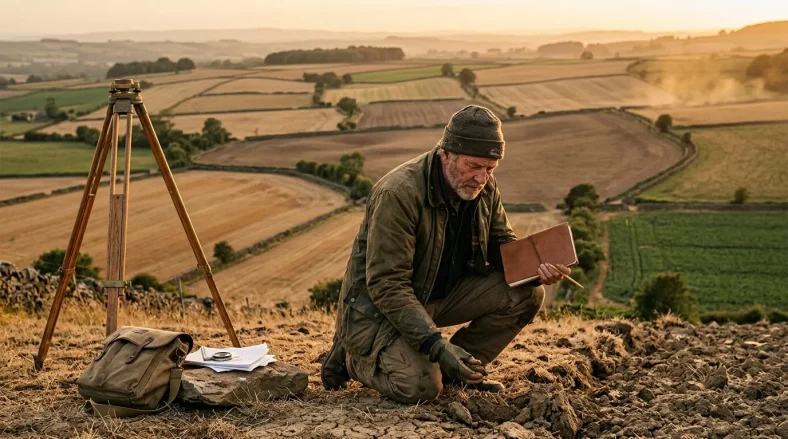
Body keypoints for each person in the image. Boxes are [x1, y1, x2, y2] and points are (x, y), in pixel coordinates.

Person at [321, 105, 570, 404]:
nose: (481, 178)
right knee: (420, 388)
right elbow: (386, 285)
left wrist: (535, 268)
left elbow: (501, 242)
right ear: (446, 154)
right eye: (474, 166)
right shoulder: (398, 194)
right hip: (382, 310)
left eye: (490, 169)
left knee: (528, 294)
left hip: (438, 298)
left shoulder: (483, 186)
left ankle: (460, 372)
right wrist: (438, 346)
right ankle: (351, 357)